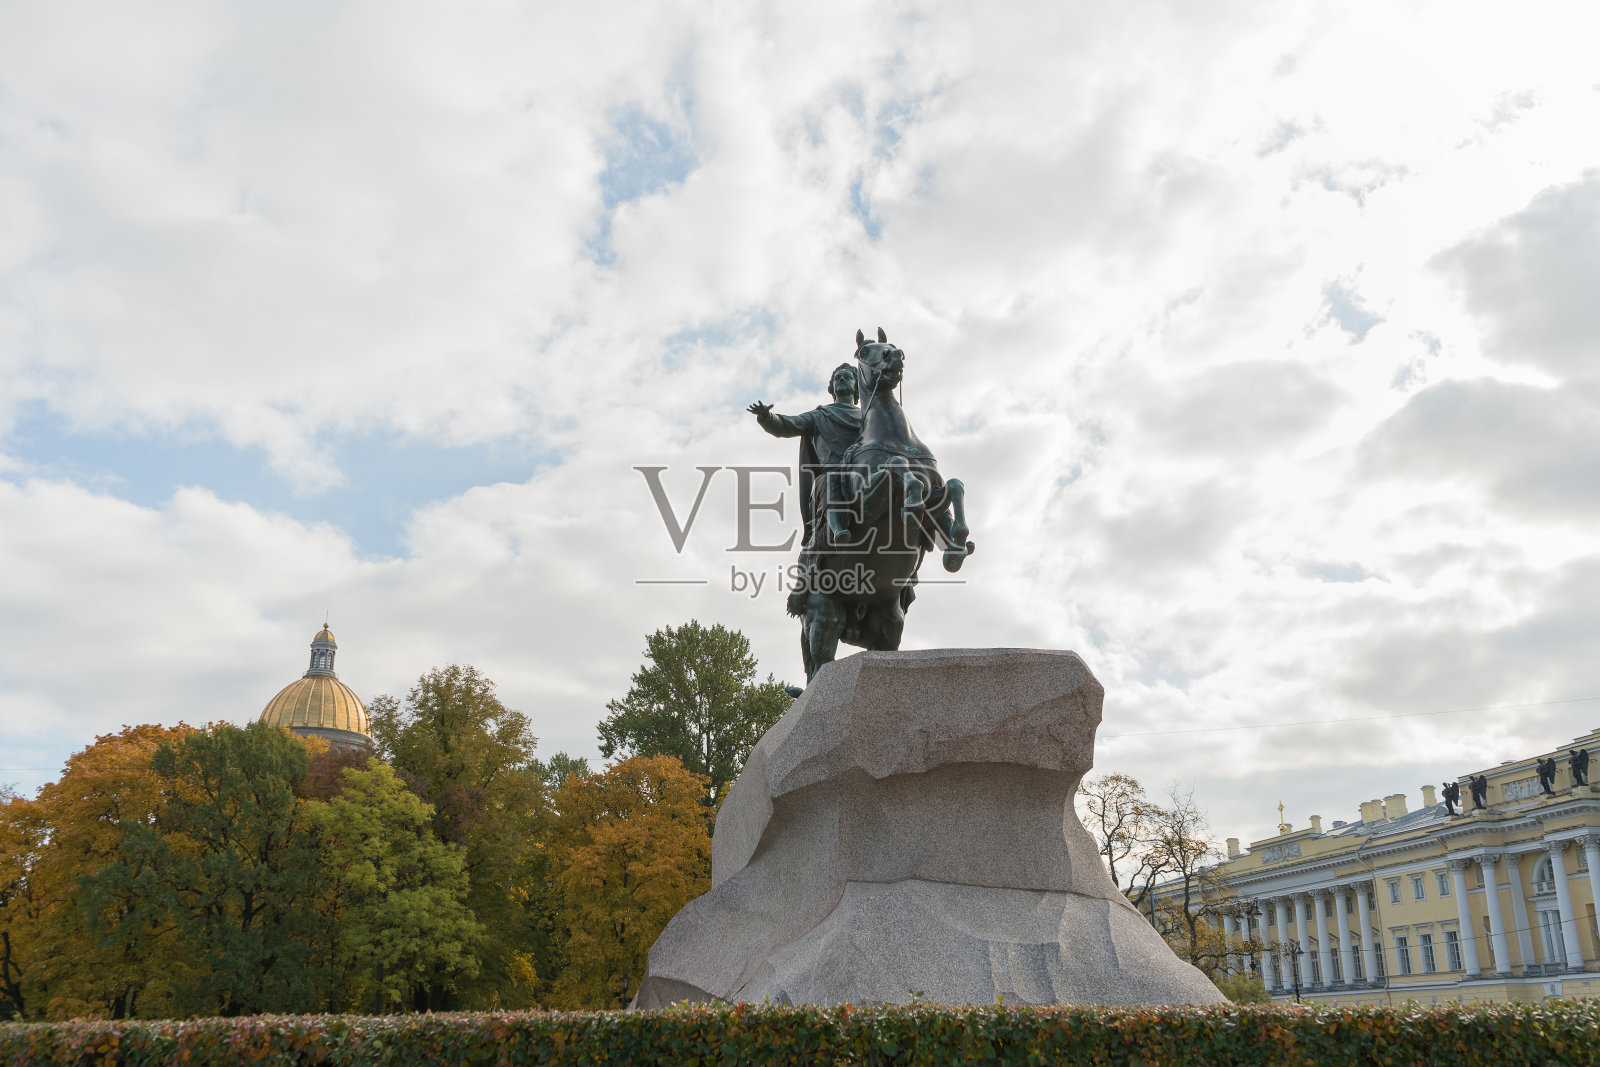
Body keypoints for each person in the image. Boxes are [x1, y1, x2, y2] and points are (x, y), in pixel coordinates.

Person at [748, 363, 863, 547]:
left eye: (847, 377)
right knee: (829, 480)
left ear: (857, 387)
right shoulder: (820, 416)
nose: (841, 379)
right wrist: (767, 417)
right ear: (832, 388)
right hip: (831, 475)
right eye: (837, 378)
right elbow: (788, 424)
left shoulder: (868, 417)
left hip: (863, 474)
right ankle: (839, 529)